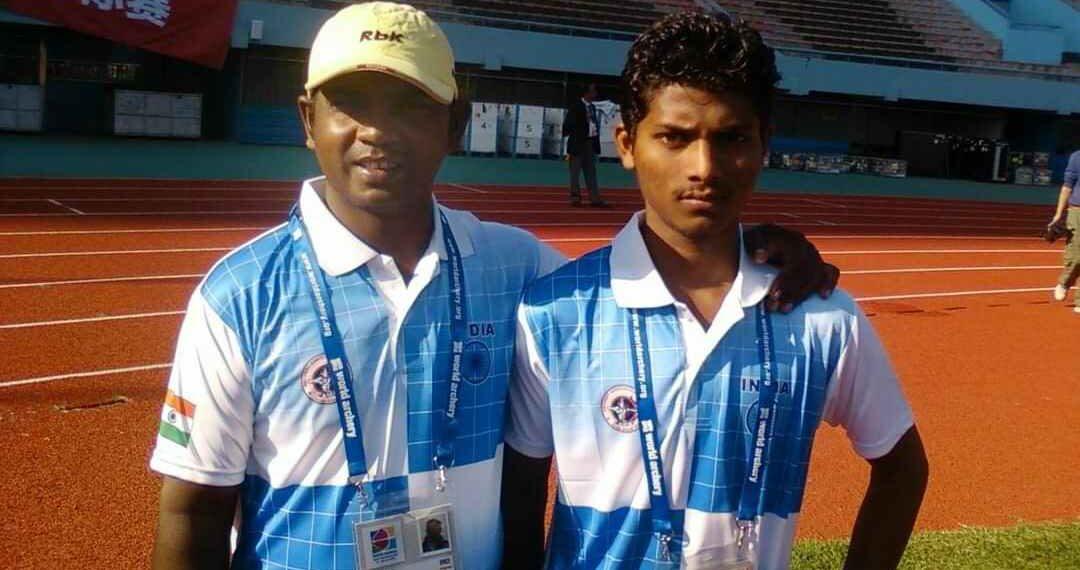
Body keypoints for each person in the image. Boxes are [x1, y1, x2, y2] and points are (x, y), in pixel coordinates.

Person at [148, 4, 839, 570]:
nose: (378, 131)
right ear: (308, 121)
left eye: (411, 107)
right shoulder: (238, 296)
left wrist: (748, 243)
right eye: (350, 104)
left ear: (454, 124)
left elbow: (644, 271)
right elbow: (193, 510)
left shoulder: (517, 269)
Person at [503, 11, 928, 570]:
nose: (704, 166)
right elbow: (522, 488)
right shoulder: (554, 313)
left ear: (763, 144)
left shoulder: (819, 317)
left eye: (731, 139)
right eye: (675, 138)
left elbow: (902, 468)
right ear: (627, 143)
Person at [563, 82, 607, 207]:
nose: (595, 93)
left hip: (590, 142)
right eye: (593, 91)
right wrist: (579, 131)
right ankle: (575, 198)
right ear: (587, 93)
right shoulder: (576, 106)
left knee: (591, 172)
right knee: (575, 172)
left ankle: (595, 198)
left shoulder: (592, 107)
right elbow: (568, 125)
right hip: (578, 143)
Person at [1050, 149, 1080, 313]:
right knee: (1076, 256)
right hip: (1077, 212)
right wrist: (1058, 214)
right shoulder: (1076, 157)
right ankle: (1065, 282)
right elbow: (1067, 186)